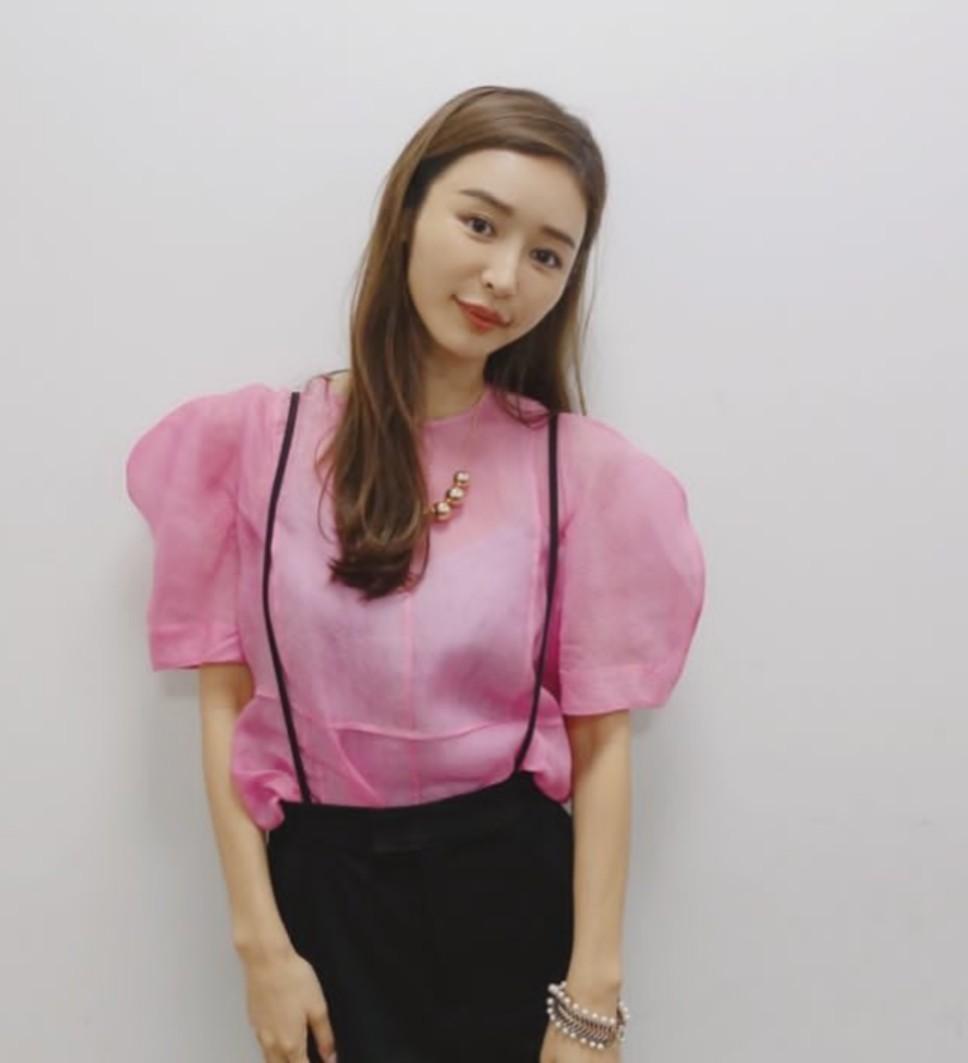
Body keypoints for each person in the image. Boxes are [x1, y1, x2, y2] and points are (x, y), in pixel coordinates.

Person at [125, 85, 706, 1063]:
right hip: (321, 900)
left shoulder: (578, 471)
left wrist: (592, 993)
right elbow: (225, 702)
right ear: (407, 213)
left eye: (547, 254)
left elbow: (602, 741)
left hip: (511, 894)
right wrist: (260, 944)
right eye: (479, 223)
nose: (502, 275)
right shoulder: (259, 445)